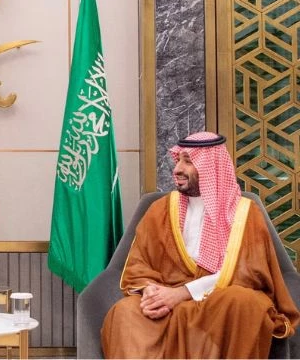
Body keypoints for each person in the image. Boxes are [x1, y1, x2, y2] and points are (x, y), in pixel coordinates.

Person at [101, 131, 299, 358]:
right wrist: (151, 292)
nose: (177, 169)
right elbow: (139, 263)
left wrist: (183, 293)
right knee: (125, 312)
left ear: (210, 167)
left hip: (219, 300)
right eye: (178, 160)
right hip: (167, 302)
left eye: (188, 161)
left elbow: (248, 273)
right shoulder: (160, 210)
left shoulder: (245, 213)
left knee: (244, 303)